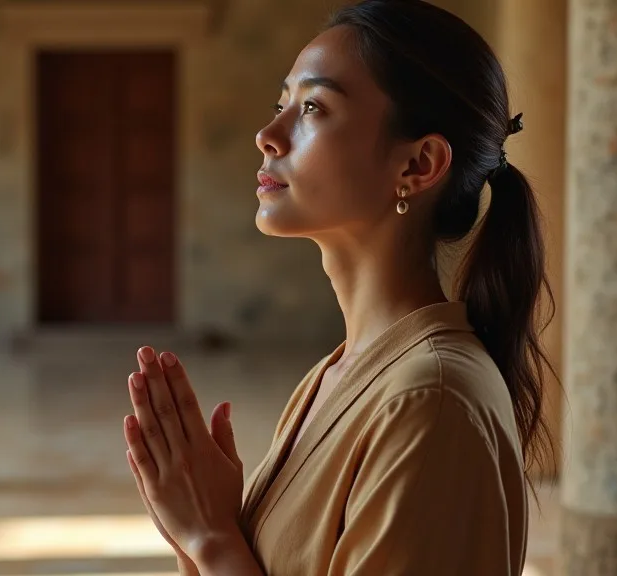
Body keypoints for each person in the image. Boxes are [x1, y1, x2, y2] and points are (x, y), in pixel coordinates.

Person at [120, 0, 557, 574]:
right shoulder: (337, 375)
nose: (268, 135)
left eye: (312, 107)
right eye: (282, 104)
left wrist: (211, 539)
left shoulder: (431, 401)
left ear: (419, 164)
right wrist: (199, 533)